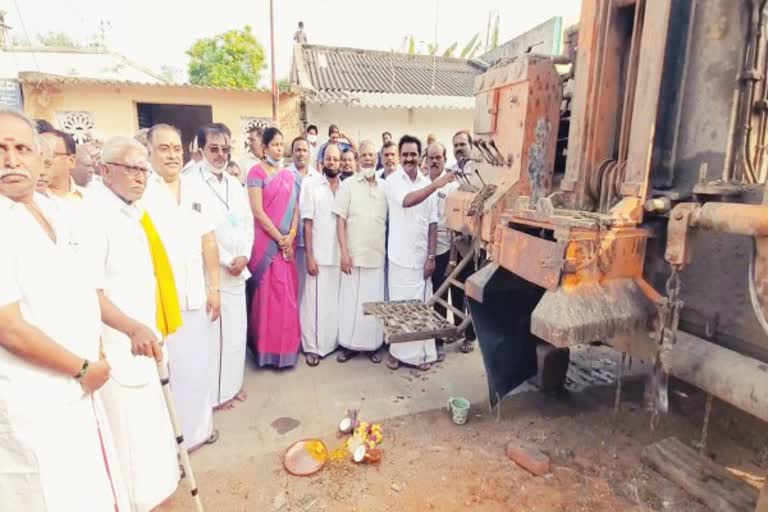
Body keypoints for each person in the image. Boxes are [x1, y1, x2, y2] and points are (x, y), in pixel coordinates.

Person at [0, 109, 129, 511]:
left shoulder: (51, 209)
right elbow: (9, 328)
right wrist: (83, 368)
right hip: (37, 395)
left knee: (87, 489)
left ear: (41, 159)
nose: (11, 159)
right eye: (0, 149)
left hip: (76, 383)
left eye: (22, 148)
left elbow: (79, 290)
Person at [84, 136, 180, 511]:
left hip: (145, 341)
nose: (140, 177)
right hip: (123, 346)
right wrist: (131, 328)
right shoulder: (95, 216)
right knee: (131, 441)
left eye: (143, 169)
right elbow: (90, 292)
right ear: (105, 171)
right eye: (131, 168)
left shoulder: (131, 211)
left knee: (150, 434)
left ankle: (157, 495)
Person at [144, 123, 222, 450]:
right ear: (149, 152)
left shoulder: (195, 188)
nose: (172, 155)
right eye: (164, 148)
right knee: (168, 373)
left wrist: (214, 287)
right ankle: (173, 441)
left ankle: (200, 431)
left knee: (198, 368)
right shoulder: (143, 191)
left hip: (195, 294)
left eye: (176, 148)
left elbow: (208, 241)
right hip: (158, 300)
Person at [186, 123, 254, 410]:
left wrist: (245, 256)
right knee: (213, 335)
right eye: (213, 148)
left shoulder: (234, 183)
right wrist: (228, 259)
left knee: (237, 331)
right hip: (212, 271)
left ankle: (231, 387)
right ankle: (214, 396)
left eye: (225, 149)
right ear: (201, 149)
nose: (220, 154)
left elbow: (248, 221)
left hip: (239, 269)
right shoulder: (190, 182)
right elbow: (199, 230)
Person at [247, 127, 301, 368]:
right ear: (264, 148)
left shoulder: (291, 176)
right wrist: (279, 238)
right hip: (265, 245)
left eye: (282, 145)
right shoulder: (255, 173)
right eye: (275, 145)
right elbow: (257, 211)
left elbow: (296, 209)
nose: (279, 149)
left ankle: (286, 350)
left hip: (286, 244)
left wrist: (290, 235)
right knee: (266, 298)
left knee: (286, 298)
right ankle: (265, 352)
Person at [384, 135, 439, 371]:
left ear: (420, 156)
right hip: (399, 258)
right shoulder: (393, 181)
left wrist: (431, 256)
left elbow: (433, 224)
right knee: (400, 308)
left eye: (413, 154)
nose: (408, 158)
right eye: (404, 154)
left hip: (420, 259)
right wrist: (437, 184)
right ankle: (397, 353)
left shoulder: (426, 182)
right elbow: (407, 201)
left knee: (421, 307)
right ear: (400, 155)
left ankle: (420, 356)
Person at [402, 143, 459, 361]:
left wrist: (452, 258)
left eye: (439, 157)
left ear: (445, 159)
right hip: (419, 248)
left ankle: (438, 340)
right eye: (431, 157)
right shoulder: (423, 183)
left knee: (440, 294)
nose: (435, 161)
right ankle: (420, 338)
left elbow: (453, 224)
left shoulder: (452, 186)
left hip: (442, 247)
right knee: (423, 295)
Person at [335, 141, 387, 364]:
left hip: (375, 256)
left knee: (373, 303)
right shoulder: (347, 186)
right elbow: (340, 221)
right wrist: (344, 254)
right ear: (357, 159)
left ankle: (372, 346)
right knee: (351, 304)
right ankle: (348, 345)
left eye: (371, 155)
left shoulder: (385, 186)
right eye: (363, 155)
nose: (367, 159)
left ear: (376, 158)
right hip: (353, 257)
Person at [299, 144, 343, 366]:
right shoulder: (312, 185)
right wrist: (309, 256)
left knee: (331, 305)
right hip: (318, 255)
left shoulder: (345, 187)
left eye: (336, 159)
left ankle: (330, 344)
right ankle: (312, 347)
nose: (332, 162)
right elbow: (307, 224)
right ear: (322, 161)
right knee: (314, 305)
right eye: (329, 159)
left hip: (338, 257)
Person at [289, 136, 319, 304]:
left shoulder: (317, 177)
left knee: (308, 291)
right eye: (297, 150)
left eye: (304, 150)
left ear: (309, 153)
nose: (301, 154)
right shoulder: (284, 175)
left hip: (310, 243)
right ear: (292, 153)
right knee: (293, 288)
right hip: (290, 243)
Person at [39, 129, 84, 200]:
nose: (41, 161)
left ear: (71, 161)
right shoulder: (25, 200)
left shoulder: (91, 199)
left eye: (50, 154)